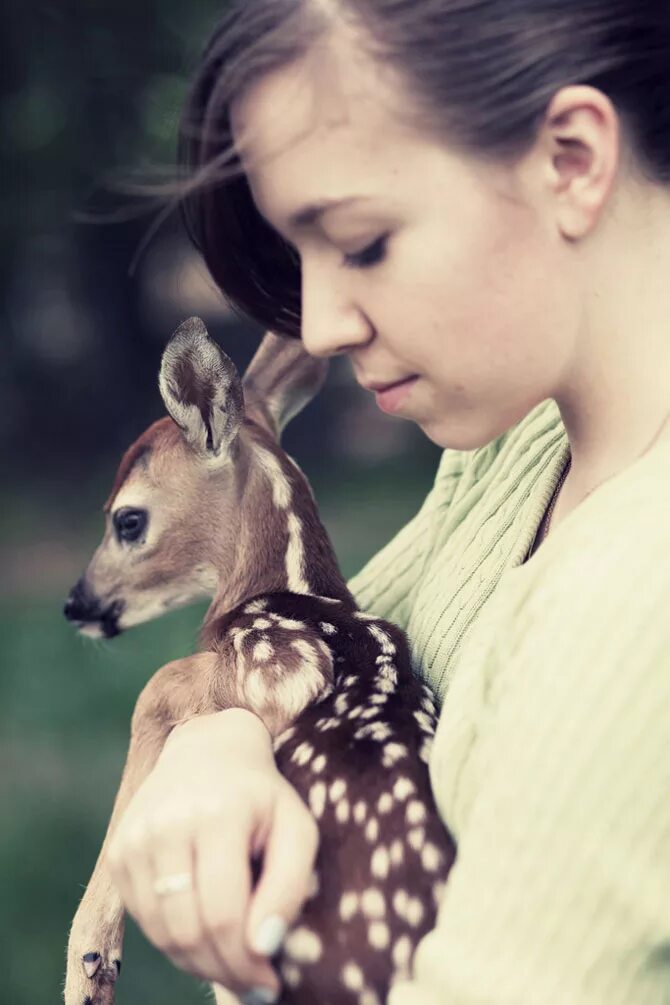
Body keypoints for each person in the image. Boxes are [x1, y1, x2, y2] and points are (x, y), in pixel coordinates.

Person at [106, 2, 670, 1003]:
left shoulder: (638, 605)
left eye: (361, 243)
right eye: (301, 254)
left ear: (573, 159)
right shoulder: (518, 447)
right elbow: (308, 655)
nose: (317, 325)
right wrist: (213, 740)